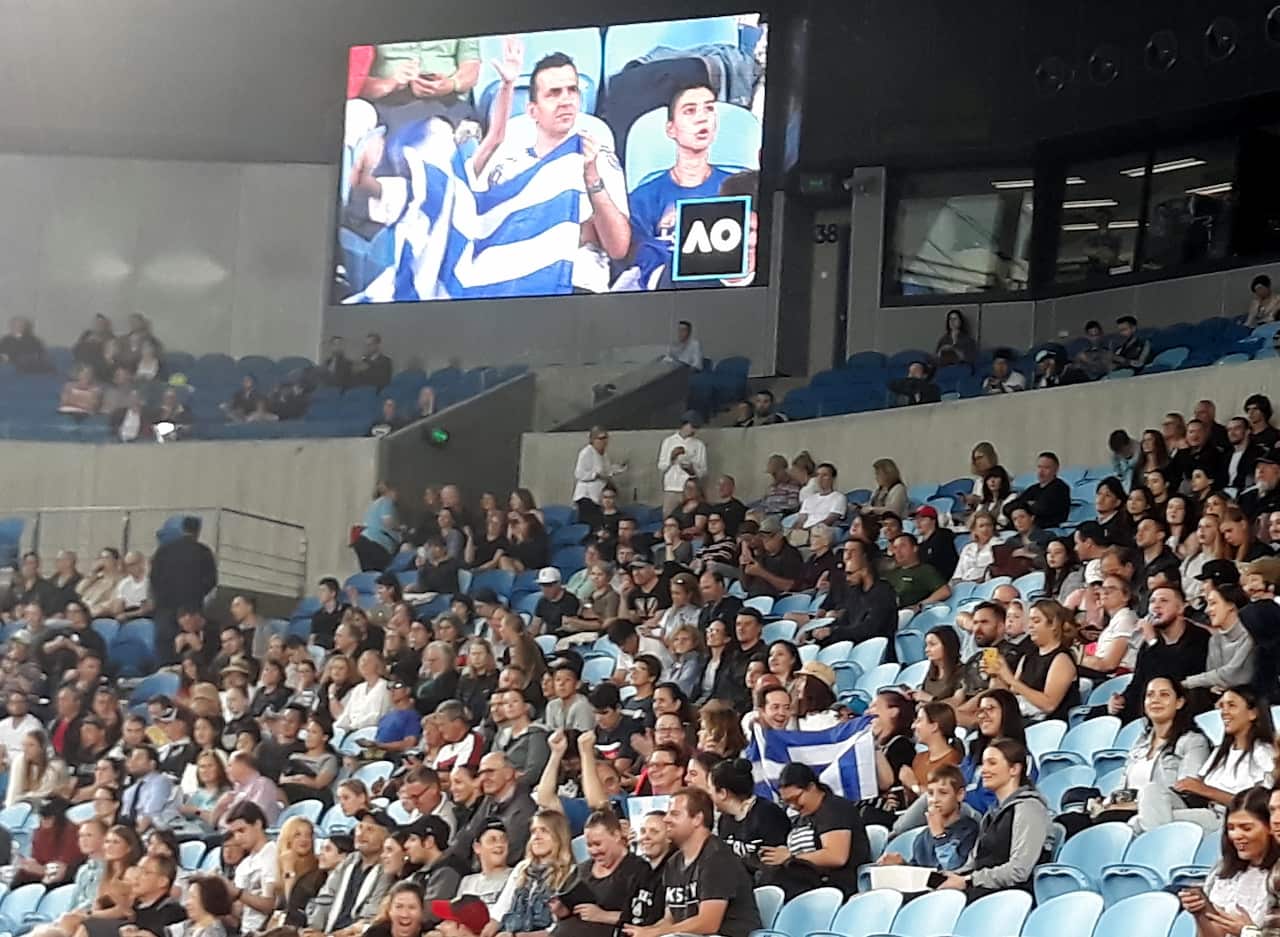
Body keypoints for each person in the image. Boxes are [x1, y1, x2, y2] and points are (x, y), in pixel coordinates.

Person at [623, 788, 762, 937]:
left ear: (697, 819)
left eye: (674, 814)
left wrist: (655, 933)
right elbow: (670, 921)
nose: (666, 819)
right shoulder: (673, 863)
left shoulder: (717, 858)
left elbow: (708, 923)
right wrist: (645, 933)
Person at [938, 738, 1049, 898]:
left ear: (1014, 769)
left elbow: (1018, 871)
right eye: (983, 763)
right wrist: (948, 878)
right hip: (980, 887)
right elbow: (972, 864)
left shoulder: (1028, 808)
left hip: (1006, 895)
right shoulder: (991, 814)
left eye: (992, 763)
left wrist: (968, 881)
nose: (984, 770)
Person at [1116, 677, 1212, 834]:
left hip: (1169, 806)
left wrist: (1134, 803)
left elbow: (1187, 788)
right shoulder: (1140, 743)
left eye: (1164, 695)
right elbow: (1121, 787)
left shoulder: (1193, 741)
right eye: (1150, 695)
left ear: (1179, 702)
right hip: (1130, 808)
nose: (1155, 700)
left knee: (1150, 791)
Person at [1178, 787, 1276, 937]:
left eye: (1246, 828)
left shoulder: (1276, 877)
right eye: (1231, 828)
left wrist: (1248, 932)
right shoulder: (1222, 871)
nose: (1236, 835)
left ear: (1270, 827)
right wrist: (1201, 912)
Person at [482, 809, 576, 937]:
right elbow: (499, 912)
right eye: (533, 831)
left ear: (559, 836)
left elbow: (557, 929)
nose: (536, 837)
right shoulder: (522, 869)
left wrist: (517, 936)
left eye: (544, 831)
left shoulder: (569, 873)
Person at [986, 599, 1080, 723]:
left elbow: (1049, 705)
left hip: (1046, 724)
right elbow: (1013, 693)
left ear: (1053, 625)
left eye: (1036, 621)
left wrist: (1010, 679)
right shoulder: (1028, 656)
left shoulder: (1062, 659)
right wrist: (996, 674)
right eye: (1030, 621)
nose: (1030, 625)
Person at [308, 810, 395, 934]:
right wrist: (314, 929)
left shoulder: (386, 869)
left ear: (386, 837)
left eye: (370, 830)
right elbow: (326, 897)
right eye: (359, 827)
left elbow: (371, 914)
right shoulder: (350, 860)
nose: (360, 834)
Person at [878, 765, 980, 871]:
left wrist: (939, 836)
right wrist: (902, 864)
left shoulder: (969, 830)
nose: (935, 799)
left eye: (943, 793)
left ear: (960, 794)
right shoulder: (922, 837)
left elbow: (955, 870)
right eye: (931, 793)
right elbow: (918, 873)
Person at [708, 759, 790, 881]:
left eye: (710, 788)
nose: (708, 794)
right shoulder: (724, 821)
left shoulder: (768, 814)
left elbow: (775, 863)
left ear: (723, 793)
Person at [657, 412, 708, 518]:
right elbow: (661, 467)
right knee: (668, 518)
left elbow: (703, 472)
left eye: (696, 428)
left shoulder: (699, 445)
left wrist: (692, 469)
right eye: (692, 426)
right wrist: (671, 458)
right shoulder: (668, 441)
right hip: (671, 487)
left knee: (688, 518)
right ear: (684, 424)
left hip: (690, 490)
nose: (694, 430)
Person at [1009, 452, 1072, 528]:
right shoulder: (1033, 488)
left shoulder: (1060, 488)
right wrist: (1028, 505)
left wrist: (1024, 506)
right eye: (1039, 467)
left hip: (1046, 529)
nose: (1041, 471)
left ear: (1056, 469)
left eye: (1046, 468)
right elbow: (1008, 507)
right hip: (1022, 528)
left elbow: (1041, 509)